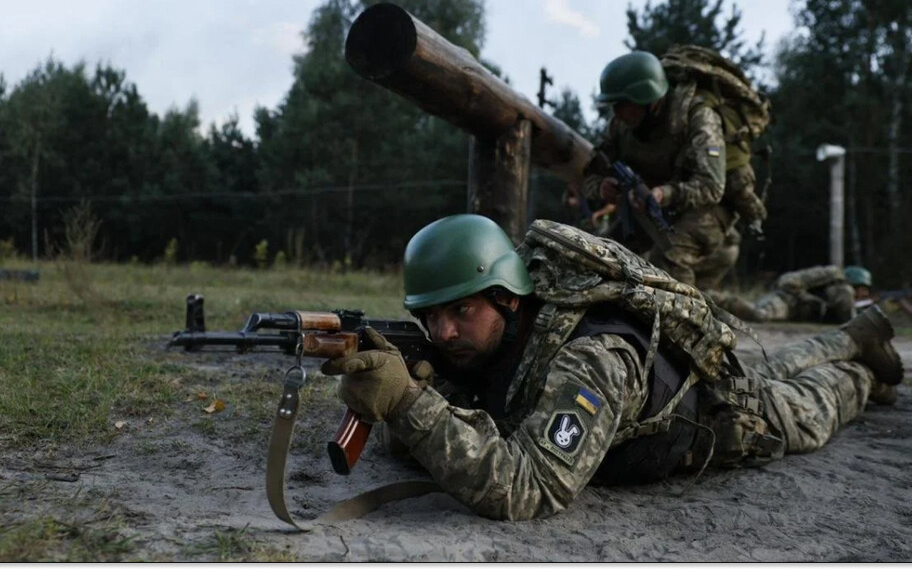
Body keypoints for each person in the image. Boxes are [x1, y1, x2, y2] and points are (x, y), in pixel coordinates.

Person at [321, 215, 904, 521]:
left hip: (733, 420)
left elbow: (530, 489)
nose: (444, 333)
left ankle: (862, 367)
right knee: (775, 365)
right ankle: (854, 333)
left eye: (461, 310)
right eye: (431, 317)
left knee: (810, 403)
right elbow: (477, 414)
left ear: (510, 297)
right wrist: (422, 389)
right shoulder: (493, 339)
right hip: (694, 392)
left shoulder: (591, 359)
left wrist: (410, 403)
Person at [581, 50, 764, 289]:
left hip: (708, 208)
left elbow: (711, 186)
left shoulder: (697, 116)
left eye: (622, 104)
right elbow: (590, 175)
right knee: (600, 255)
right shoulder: (620, 126)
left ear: (646, 98)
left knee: (668, 260)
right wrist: (601, 189)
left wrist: (664, 194)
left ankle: (683, 323)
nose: (616, 113)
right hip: (652, 209)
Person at [709, 265, 869, 324]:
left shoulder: (842, 293)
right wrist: (807, 299)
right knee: (760, 314)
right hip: (786, 301)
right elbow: (788, 282)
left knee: (759, 314)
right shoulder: (838, 284)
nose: (864, 293)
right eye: (863, 289)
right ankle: (712, 298)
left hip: (793, 312)